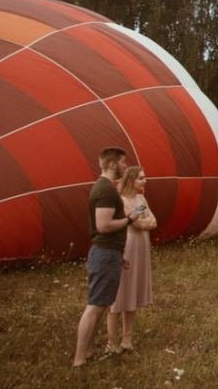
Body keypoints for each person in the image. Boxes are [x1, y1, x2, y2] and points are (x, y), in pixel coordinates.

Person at [73, 147, 137, 367]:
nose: (125, 167)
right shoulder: (107, 191)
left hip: (108, 253)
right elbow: (104, 225)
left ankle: (88, 351)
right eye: (123, 163)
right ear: (112, 165)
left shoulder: (103, 188)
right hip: (105, 253)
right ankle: (79, 359)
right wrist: (129, 219)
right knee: (94, 307)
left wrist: (118, 255)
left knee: (100, 305)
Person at [107, 166, 157, 354]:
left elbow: (154, 220)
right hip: (128, 247)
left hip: (141, 247)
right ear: (131, 180)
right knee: (119, 294)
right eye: (142, 178)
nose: (145, 181)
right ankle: (112, 342)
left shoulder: (141, 199)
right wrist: (144, 223)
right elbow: (136, 223)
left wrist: (144, 223)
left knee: (133, 292)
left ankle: (127, 339)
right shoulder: (121, 200)